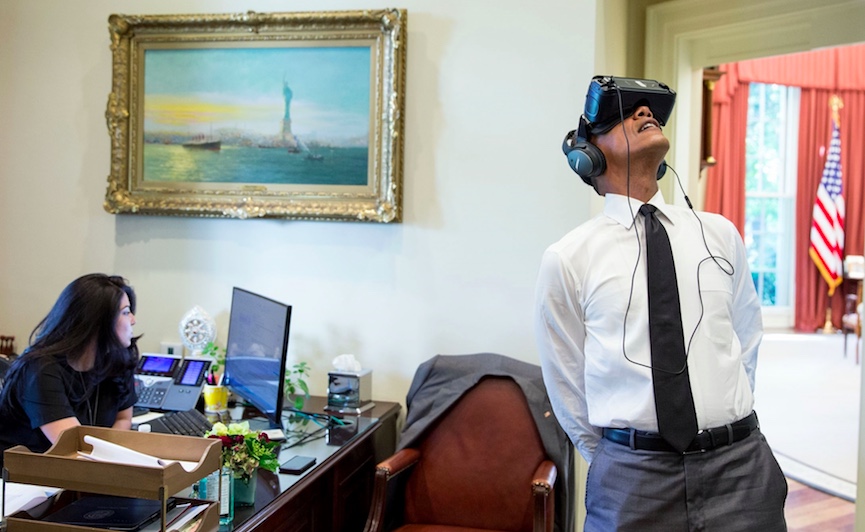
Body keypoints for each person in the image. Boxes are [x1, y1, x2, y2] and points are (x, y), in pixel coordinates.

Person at [534, 77, 787, 531]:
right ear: (587, 155)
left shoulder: (720, 235)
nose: (645, 113)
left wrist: (722, 423)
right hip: (634, 482)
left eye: (649, 109)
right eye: (625, 113)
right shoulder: (568, 259)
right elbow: (566, 383)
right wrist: (619, 456)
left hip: (741, 470)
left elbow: (746, 338)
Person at [0, 274, 139, 467]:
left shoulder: (117, 360)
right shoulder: (40, 369)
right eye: (125, 312)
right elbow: (74, 448)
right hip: (28, 477)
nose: (133, 320)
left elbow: (123, 418)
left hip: (83, 470)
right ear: (97, 321)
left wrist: (111, 455)